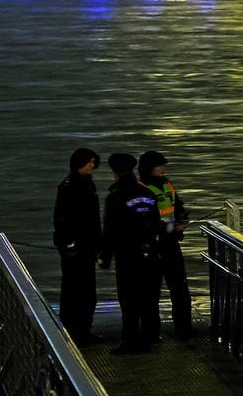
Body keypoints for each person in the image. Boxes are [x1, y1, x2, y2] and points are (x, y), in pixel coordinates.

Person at [99, 153, 163, 355]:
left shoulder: (116, 196)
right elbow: (156, 223)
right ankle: (150, 337)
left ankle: (131, 341)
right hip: (150, 252)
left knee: (129, 300)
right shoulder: (147, 193)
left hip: (127, 255)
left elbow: (110, 230)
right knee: (148, 298)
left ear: (115, 171)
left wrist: (106, 257)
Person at [138, 150, 193, 340]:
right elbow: (145, 220)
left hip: (170, 243)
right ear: (148, 167)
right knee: (151, 292)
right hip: (153, 246)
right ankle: (151, 334)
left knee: (180, 289)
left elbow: (177, 206)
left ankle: (184, 330)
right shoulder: (142, 188)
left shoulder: (167, 184)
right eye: (159, 165)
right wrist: (173, 226)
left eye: (164, 165)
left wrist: (182, 218)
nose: (163, 168)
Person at [52, 148, 102, 345]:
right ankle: (75, 330)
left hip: (86, 247)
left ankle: (82, 329)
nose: (93, 165)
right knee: (75, 290)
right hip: (77, 249)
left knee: (85, 290)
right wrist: (69, 244)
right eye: (90, 162)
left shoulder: (84, 184)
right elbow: (62, 219)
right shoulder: (70, 186)